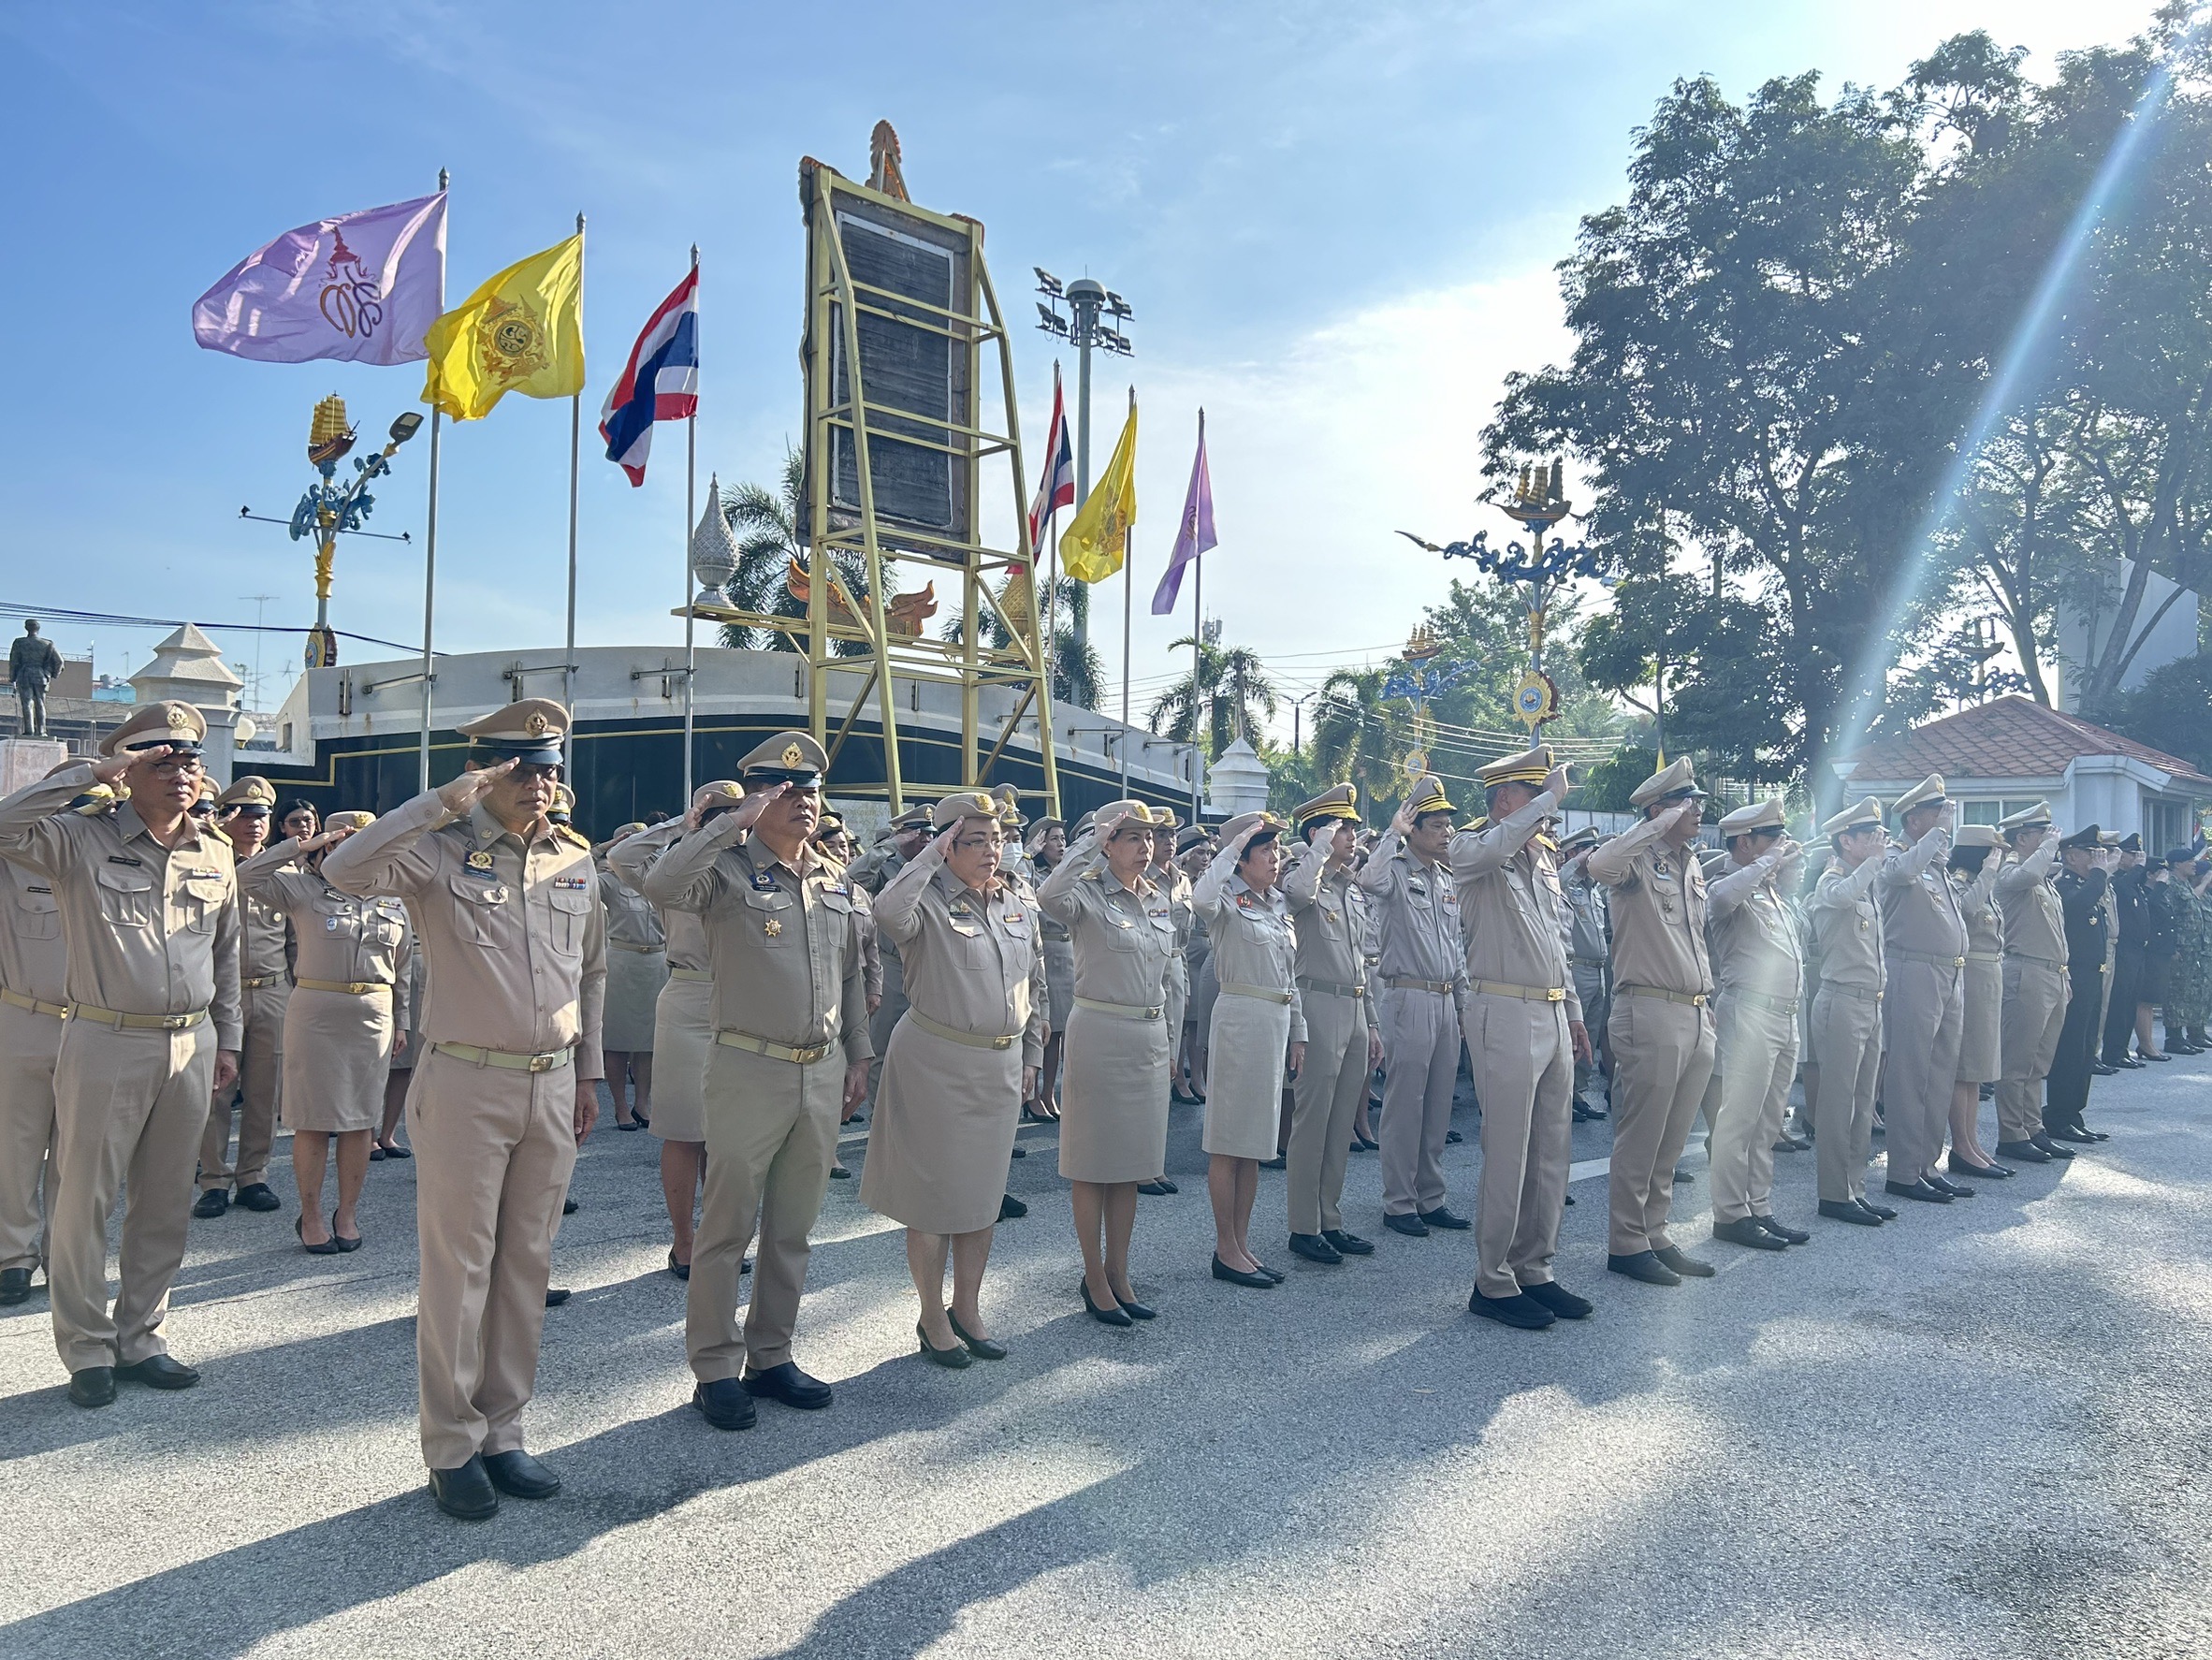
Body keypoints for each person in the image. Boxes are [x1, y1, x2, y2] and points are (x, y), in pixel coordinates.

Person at [321, 698, 604, 1519]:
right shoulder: (437, 855)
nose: (538, 783)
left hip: (551, 1084)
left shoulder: (575, 860)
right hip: (467, 1083)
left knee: (527, 1265)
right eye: (520, 768)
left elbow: (592, 974)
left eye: (548, 768)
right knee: (461, 1269)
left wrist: (587, 1074)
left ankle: (505, 1431)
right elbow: (344, 871)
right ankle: (450, 1444)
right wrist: (439, 802)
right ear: (483, 774)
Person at [0, 701, 241, 1407]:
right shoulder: (78, 838)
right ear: (129, 768)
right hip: (106, 1037)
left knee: (165, 1201)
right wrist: (88, 772)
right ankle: (86, 1349)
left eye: (191, 760)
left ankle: (141, 1337)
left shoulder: (215, 849)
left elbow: (226, 955)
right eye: (162, 760)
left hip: (190, 1042)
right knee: (83, 1199)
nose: (182, 773)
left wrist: (226, 1037)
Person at [640, 734, 870, 1432]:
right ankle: (714, 1366)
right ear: (759, 798)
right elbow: (659, 885)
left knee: (794, 1228)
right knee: (728, 1225)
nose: (802, 802)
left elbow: (852, 974)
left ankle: (770, 1354)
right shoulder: (727, 871)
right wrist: (724, 825)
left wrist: (859, 1054)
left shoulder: (833, 877)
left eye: (811, 791)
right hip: (748, 1064)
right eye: (785, 790)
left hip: (820, 1069)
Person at [861, 791, 1046, 1365]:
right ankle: (931, 1313)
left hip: (1000, 1063)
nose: (992, 851)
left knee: (982, 1196)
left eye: (998, 839)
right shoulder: (925, 903)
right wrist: (927, 858)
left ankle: (968, 1305)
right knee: (936, 1198)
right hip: (937, 1063)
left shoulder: (1016, 900)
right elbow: (886, 915)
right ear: (947, 846)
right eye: (976, 841)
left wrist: (1033, 1054)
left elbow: (1034, 985)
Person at [1451, 749, 1593, 1327]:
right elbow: (1488, 847)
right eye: (1534, 794)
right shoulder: (1473, 849)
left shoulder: (1542, 861)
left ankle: (1535, 1267)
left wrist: (1577, 1012)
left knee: (1550, 1152)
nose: (1548, 808)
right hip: (1503, 1010)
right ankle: (1493, 1279)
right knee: (1508, 1152)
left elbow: (1556, 946)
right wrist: (1548, 799)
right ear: (1507, 799)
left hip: (1554, 1010)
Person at [240, 809, 413, 1253]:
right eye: (342, 843)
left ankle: (348, 1213)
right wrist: (302, 846)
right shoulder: (299, 887)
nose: (351, 853)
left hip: (372, 1014)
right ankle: (312, 1213)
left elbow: (403, 967)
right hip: (317, 1013)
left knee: (360, 1123)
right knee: (314, 1121)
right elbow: (245, 877)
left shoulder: (392, 895)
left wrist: (402, 1020)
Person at [1037, 800, 1177, 1325]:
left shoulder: (1159, 900)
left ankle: (1120, 1271)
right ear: (1108, 844)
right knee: (1093, 1165)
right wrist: (1089, 842)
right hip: (1100, 1032)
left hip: (1147, 1036)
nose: (1144, 847)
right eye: (1131, 837)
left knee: (1131, 1165)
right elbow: (1048, 894)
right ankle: (1093, 1275)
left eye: (1148, 838)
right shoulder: (1086, 896)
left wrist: (1167, 1044)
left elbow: (1166, 976)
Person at [1588, 757, 1716, 1286]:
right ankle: (1625, 1241)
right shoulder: (1639, 858)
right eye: (1689, 803)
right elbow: (1598, 866)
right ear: (1660, 809)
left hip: (1694, 1010)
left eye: (1699, 802)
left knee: (1673, 1135)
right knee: (1642, 1135)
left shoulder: (1690, 863)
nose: (1699, 811)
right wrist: (1654, 824)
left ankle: (1655, 1232)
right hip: (1650, 1008)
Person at [611, 786, 735, 1277]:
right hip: (689, 998)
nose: (730, 825)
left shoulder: (753, 867)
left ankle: (721, 1238)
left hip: (746, 1002)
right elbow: (622, 857)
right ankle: (684, 1241)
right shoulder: (671, 871)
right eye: (719, 818)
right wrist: (683, 824)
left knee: (729, 1137)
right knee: (686, 1132)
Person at [1191, 811, 1303, 1289]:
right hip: (1239, 1020)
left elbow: (1288, 975)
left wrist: (1299, 1030)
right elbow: (1198, 897)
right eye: (1266, 851)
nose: (1276, 859)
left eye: (1277, 851)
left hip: (1274, 1022)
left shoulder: (1276, 903)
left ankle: (1242, 1242)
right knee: (1229, 1142)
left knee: (1255, 1144)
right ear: (1242, 859)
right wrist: (1231, 847)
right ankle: (1224, 1247)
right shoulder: (1226, 900)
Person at [1358, 774, 1471, 1238]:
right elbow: (1368, 879)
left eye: (1449, 825)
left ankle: (1431, 1196)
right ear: (1416, 828)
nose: (1447, 833)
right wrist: (1392, 833)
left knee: (1439, 1104)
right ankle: (1399, 1202)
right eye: (1438, 825)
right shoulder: (1396, 869)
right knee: (1406, 1104)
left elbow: (1457, 946)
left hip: (1445, 998)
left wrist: (1464, 1006)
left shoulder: (1446, 878)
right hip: (1408, 996)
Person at [1704, 797, 1812, 1254]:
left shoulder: (1769, 890)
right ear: (1746, 843)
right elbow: (1721, 900)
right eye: (1773, 838)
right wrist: (1767, 864)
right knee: (1739, 1120)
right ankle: (1731, 1214)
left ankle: (1759, 1207)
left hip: (1783, 1015)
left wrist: (1780, 870)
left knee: (1768, 1123)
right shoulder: (1728, 883)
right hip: (1748, 1011)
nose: (1782, 846)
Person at [1281, 785, 1380, 1266]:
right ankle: (1303, 1225)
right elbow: (1297, 893)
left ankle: (1330, 1218)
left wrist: (1373, 1023)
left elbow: (1360, 960)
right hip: (1317, 1006)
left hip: (1356, 1008)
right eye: (1344, 827)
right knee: (1313, 1120)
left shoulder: (1350, 887)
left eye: (1354, 827)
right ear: (1320, 832)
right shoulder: (1305, 881)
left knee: (1341, 1122)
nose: (1353, 835)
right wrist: (1319, 846)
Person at [0, 763, 84, 1307]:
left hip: (93, 1024)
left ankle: (65, 1256)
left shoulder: (112, 863)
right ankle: (12, 1255)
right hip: (24, 1018)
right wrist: (82, 776)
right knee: (16, 1147)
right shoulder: (13, 858)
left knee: (81, 1154)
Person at [1873, 775, 1972, 1206]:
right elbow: (1900, 873)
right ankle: (1902, 1171)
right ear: (1914, 820)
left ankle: (1927, 1165)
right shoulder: (1895, 857)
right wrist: (1935, 836)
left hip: (1949, 974)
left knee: (1940, 1074)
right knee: (1910, 1073)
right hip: (1911, 972)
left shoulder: (1936, 864)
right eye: (1938, 814)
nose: (1946, 822)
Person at [195, 775, 290, 1218]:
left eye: (263, 816)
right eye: (247, 815)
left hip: (272, 992)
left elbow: (295, 942)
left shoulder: (284, 871)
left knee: (264, 1093)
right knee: (216, 1091)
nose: (255, 824)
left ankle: (254, 1176)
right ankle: (213, 1180)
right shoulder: (208, 864)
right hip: (219, 996)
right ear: (229, 818)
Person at [1805, 798, 1892, 1225]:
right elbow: (1838, 898)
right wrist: (1872, 864)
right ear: (1846, 841)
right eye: (1869, 836)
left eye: (1879, 835)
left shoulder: (1866, 883)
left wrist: (1872, 866)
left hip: (1869, 1003)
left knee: (1862, 1103)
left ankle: (1854, 1187)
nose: (1879, 841)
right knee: (1838, 1104)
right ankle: (1834, 1193)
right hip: (1841, 1000)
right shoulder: (1833, 879)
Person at [851, 806, 932, 1114]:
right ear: (903, 835)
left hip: (926, 964)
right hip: (893, 966)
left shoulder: (936, 866)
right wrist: (889, 846)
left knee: (923, 1046)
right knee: (882, 1046)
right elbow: (853, 877)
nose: (926, 839)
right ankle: (879, 1117)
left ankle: (913, 1113)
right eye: (919, 833)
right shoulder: (887, 865)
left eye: (930, 833)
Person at [1944, 826, 2013, 1179]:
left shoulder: (1981, 883)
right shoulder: (1960, 881)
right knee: (1965, 1067)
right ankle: (1960, 1146)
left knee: (1978, 1070)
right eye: (1992, 852)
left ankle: (1971, 1142)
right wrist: (1986, 874)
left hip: (1988, 978)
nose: (1997, 858)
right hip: (1970, 977)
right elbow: (1964, 911)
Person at [2045, 826, 2115, 1147]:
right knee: (2070, 1048)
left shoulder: (2087, 885)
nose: (2096, 858)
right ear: (2071, 856)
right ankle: (2058, 1115)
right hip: (2075, 975)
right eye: (2091, 852)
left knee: (2086, 1048)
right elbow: (2076, 907)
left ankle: (2074, 1113)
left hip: (2093, 975)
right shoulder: (2066, 885)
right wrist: (2100, 875)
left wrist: (2098, 876)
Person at [597, 823, 666, 1131]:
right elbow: (574, 870)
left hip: (656, 962)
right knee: (619, 1040)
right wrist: (604, 845)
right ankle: (620, 1106)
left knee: (648, 1042)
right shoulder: (608, 881)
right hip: (623, 962)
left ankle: (642, 1101)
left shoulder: (657, 880)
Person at [1142, 815, 1193, 1195]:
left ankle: (1154, 1162)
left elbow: (1183, 940)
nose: (1168, 841)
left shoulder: (1181, 880)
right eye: (1161, 834)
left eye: (1172, 834)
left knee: (1168, 1065)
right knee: (1147, 1072)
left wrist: (1185, 981)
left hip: (1175, 966)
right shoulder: (1143, 879)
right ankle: (1141, 1163)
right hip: (1147, 968)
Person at [1560, 826, 1611, 1120]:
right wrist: (1575, 862)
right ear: (1572, 853)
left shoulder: (1594, 888)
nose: (1592, 856)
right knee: (1572, 1038)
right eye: (1586, 850)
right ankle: (1564, 1095)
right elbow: (1558, 881)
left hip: (1598, 971)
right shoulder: (1567, 883)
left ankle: (1578, 1094)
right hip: (1577, 970)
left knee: (1589, 1037)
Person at [1026, 817, 1073, 1121]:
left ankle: (1048, 1093)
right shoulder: (1033, 872)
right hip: (1046, 951)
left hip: (1068, 956)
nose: (1060, 844)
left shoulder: (1068, 874)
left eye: (1062, 838)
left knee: (1060, 1032)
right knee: (1044, 1032)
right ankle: (1032, 1096)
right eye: (1053, 839)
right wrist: (1029, 853)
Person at [1174, 827, 1215, 1106]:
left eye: (1208, 852)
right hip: (1187, 953)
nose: (1205, 857)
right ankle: (1179, 1078)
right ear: (1186, 854)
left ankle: (1197, 1077)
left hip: (1205, 952)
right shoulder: (1178, 882)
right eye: (1199, 852)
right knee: (1182, 1022)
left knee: (1199, 1023)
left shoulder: (1208, 882)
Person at [2157, 847, 2210, 1055]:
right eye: (2189, 861)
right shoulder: (2171, 884)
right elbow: (2167, 917)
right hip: (2180, 949)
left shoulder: (2184, 885)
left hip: (2193, 949)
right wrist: (2172, 947)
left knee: (2189, 992)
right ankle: (2174, 1037)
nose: (2194, 864)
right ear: (2177, 864)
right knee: (2176, 993)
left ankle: (2191, 1033)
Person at [10, 619, 63, 736]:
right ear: (38, 629)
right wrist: (52, 675)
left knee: (27, 703)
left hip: (24, 674)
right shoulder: (47, 644)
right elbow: (59, 661)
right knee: (40, 703)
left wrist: (12, 677)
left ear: (26, 628)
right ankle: (42, 731)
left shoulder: (19, 642)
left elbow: (14, 662)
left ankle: (29, 731)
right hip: (41, 675)